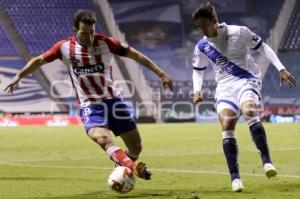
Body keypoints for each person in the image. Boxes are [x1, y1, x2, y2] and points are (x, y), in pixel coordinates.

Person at [4, 10, 173, 180]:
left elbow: (135, 54)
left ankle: (122, 169)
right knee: (101, 138)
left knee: (136, 147)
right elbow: (39, 60)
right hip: (90, 106)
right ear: (75, 30)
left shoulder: (106, 43)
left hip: (114, 102)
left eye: (91, 32)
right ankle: (132, 168)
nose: (89, 37)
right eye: (84, 33)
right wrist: (19, 76)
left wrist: (161, 74)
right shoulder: (64, 48)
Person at [191, 2, 296, 192]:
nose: (202, 30)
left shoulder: (239, 32)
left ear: (215, 21)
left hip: (247, 79)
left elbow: (263, 47)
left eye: (204, 24)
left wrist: (281, 68)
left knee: (249, 111)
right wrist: (197, 89)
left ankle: (266, 162)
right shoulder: (202, 46)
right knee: (227, 124)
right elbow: (198, 70)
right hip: (224, 87)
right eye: (199, 27)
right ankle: (235, 178)